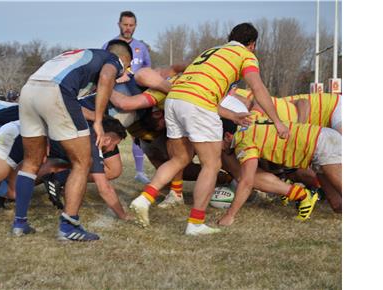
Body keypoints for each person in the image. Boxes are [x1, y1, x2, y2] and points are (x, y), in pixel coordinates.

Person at [129, 23, 289, 236]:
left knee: (178, 160)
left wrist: (232, 115)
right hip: (198, 104)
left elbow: (200, 90)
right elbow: (258, 88)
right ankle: (195, 223)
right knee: (212, 165)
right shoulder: (245, 55)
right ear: (252, 44)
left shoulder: (211, 50)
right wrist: (277, 121)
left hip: (174, 100)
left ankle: (145, 198)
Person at [13, 40, 132, 241]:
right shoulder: (114, 60)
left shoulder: (78, 55)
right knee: (82, 162)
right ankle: (69, 226)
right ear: (125, 60)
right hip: (56, 91)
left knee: (31, 162)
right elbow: (106, 76)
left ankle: (19, 223)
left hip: (29, 89)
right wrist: (100, 120)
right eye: (127, 67)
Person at [218, 118, 341, 226]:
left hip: (323, 144)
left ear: (228, 136)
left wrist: (230, 215)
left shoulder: (243, 142)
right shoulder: (248, 125)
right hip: (321, 141)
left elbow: (247, 182)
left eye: (217, 142)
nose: (215, 146)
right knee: (337, 205)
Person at [103, 10, 153, 185]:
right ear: (119, 24)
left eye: (131, 25)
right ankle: (102, 167)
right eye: (125, 24)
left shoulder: (142, 47)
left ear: (135, 26)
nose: (128, 28)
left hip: (135, 97)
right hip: (117, 97)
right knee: (109, 130)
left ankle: (139, 171)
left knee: (138, 136)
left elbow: (148, 71)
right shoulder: (110, 45)